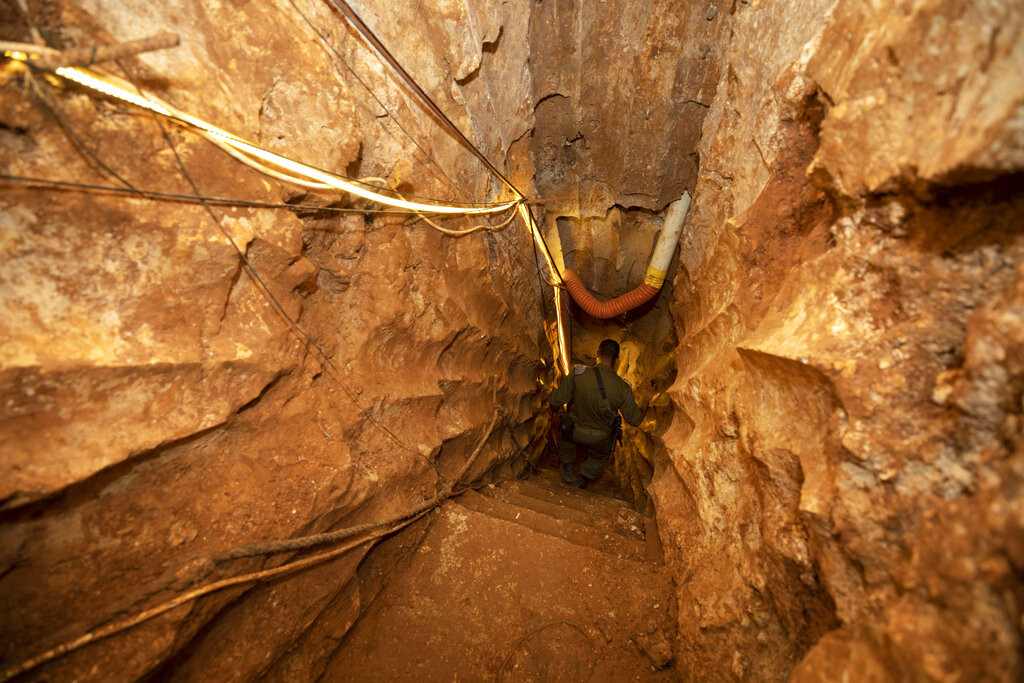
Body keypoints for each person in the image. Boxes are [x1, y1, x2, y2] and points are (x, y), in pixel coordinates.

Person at [549, 339, 654, 489]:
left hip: (574, 431)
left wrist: (558, 410)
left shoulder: (578, 374)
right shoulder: (623, 387)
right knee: (600, 456)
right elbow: (635, 419)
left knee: (566, 434)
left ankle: (566, 466)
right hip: (600, 438)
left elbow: (555, 401)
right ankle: (583, 480)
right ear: (617, 359)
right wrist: (645, 399)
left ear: (597, 353)